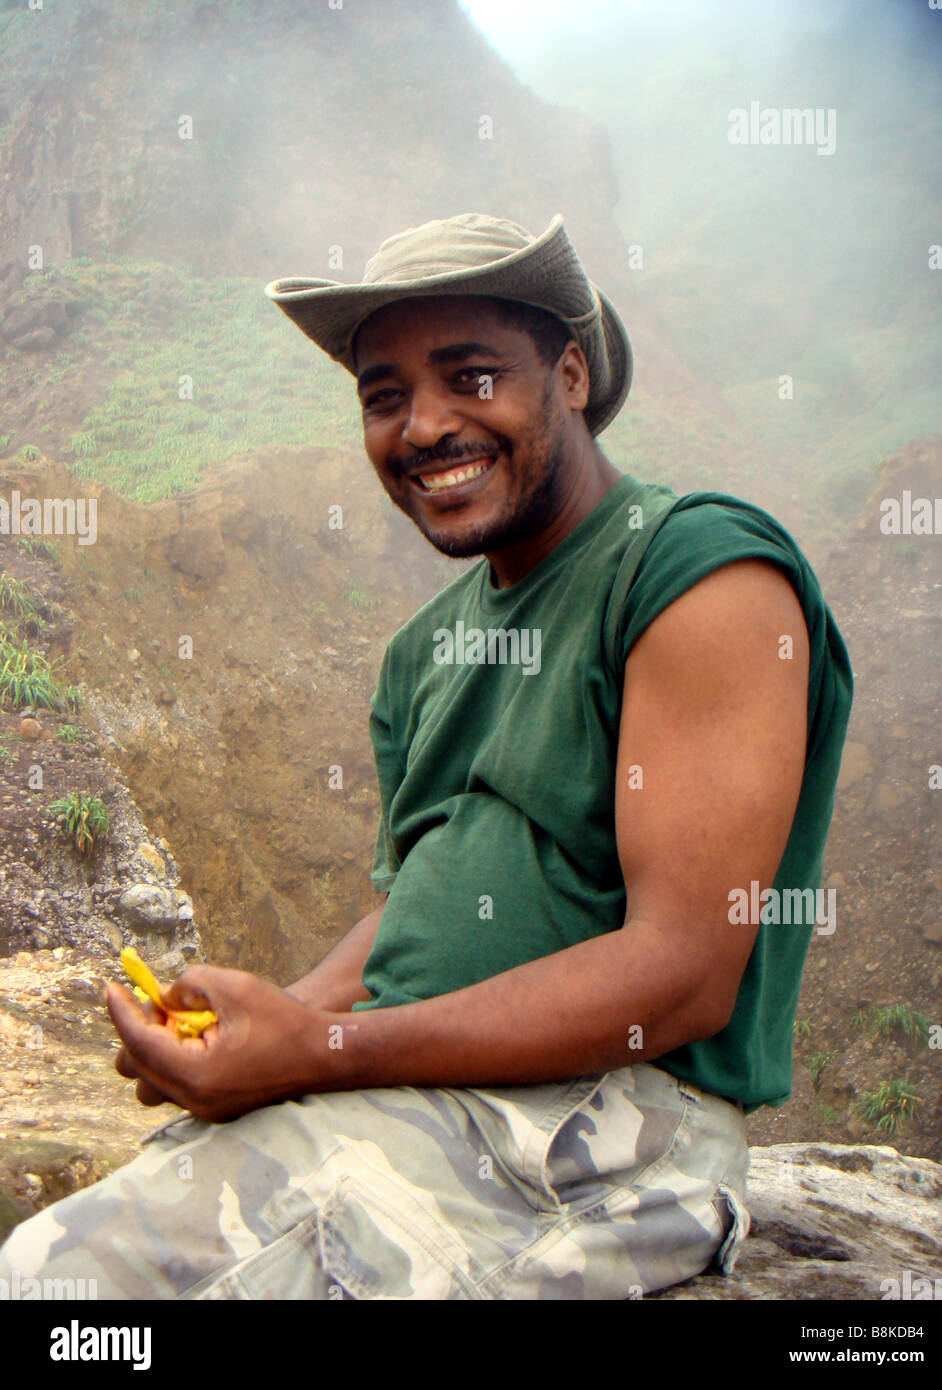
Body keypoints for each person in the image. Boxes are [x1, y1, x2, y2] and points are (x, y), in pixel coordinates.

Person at [0, 213, 852, 1300]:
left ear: (573, 374)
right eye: (384, 394)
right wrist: (269, 1021)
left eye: (471, 375)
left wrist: (322, 1053)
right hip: (421, 1095)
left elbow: (679, 975)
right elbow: (418, 899)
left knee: (77, 1282)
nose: (424, 425)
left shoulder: (694, 570)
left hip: (608, 1117)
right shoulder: (423, 656)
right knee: (54, 1270)